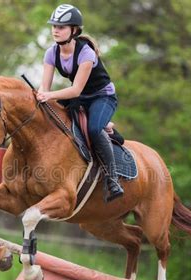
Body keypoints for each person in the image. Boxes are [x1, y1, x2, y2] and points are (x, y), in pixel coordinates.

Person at [37, 4, 124, 202]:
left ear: (74, 30)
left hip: (102, 96)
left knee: (94, 130)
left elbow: (75, 90)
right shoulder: (51, 53)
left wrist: (48, 95)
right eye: (54, 26)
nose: (55, 30)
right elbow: (45, 88)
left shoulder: (86, 53)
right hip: (81, 97)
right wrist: (40, 95)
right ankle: (104, 123)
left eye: (61, 27)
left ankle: (113, 179)